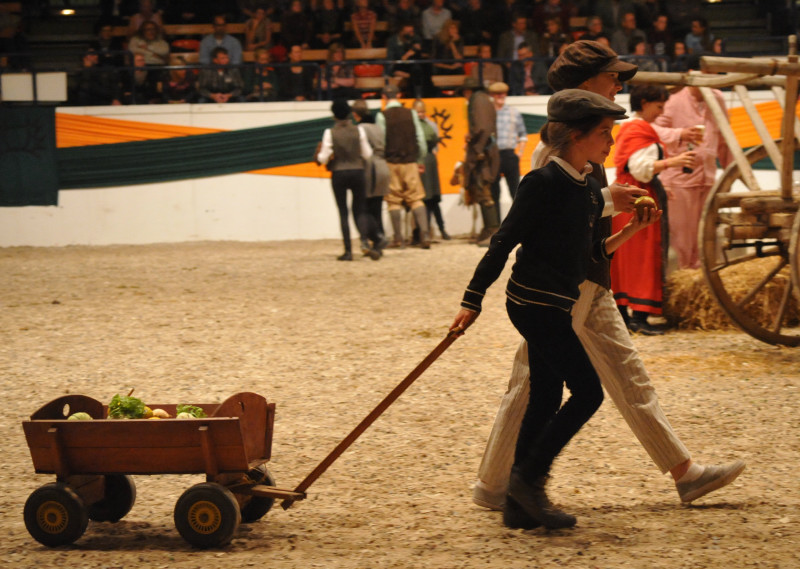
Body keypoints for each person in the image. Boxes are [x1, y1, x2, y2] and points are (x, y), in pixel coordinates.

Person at [471, 41, 745, 526]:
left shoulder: (587, 136)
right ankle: (502, 485)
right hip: (567, 285)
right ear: (585, 85)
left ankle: (500, 485)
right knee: (551, 381)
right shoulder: (556, 149)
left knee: (597, 374)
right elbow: (546, 218)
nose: (619, 84)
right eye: (611, 76)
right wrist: (608, 201)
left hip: (586, 277)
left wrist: (611, 207)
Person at [450, 89, 658, 529]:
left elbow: (590, 255)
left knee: (546, 395)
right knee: (588, 392)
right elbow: (503, 242)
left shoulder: (589, 188)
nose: (610, 141)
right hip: (531, 303)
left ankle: (517, 504)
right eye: (604, 133)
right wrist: (472, 298)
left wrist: (631, 231)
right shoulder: (541, 182)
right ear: (577, 136)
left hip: (556, 304)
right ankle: (528, 480)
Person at [610, 84, 696, 334]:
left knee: (627, 255)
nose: (661, 112)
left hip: (630, 192)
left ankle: (625, 315)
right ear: (644, 103)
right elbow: (639, 168)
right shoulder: (639, 129)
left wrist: (659, 186)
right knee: (643, 254)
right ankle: (639, 316)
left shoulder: (630, 127)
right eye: (659, 106)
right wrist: (674, 162)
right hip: (638, 196)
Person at [654, 78, 732, 270]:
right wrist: (679, 134)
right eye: (706, 74)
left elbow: (724, 137)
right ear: (691, 75)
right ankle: (684, 277)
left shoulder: (717, 98)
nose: (710, 78)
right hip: (679, 180)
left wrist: (731, 175)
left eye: (713, 74)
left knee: (706, 232)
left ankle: (705, 277)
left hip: (708, 178)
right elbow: (652, 129)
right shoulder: (673, 100)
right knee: (682, 236)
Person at [316, 99, 384, 261]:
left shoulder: (329, 132)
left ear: (334, 115)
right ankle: (365, 242)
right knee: (360, 209)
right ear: (349, 113)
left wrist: (319, 155)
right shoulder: (358, 131)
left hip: (339, 173)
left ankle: (348, 251)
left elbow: (323, 158)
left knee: (343, 212)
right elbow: (367, 154)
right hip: (357, 171)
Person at [375, 84, 431, 249]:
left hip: (391, 162)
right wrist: (420, 159)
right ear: (399, 95)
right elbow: (420, 139)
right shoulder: (411, 113)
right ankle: (425, 235)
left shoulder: (382, 116)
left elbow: (381, 142)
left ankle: (399, 239)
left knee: (393, 201)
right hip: (410, 161)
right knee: (416, 198)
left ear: (384, 97)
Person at [460, 76, 500, 247]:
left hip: (483, 151)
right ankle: (488, 228)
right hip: (485, 148)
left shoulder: (477, 101)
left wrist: (478, 149)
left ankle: (492, 230)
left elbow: (482, 127)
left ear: (468, 91)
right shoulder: (484, 99)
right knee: (480, 187)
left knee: (483, 188)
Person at [352, 99, 390, 244]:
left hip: (370, 168)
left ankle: (372, 237)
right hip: (382, 166)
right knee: (377, 206)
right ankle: (381, 235)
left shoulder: (360, 129)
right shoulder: (378, 127)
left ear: (355, 114)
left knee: (365, 207)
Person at [413, 99, 450, 241]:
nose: (420, 114)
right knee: (422, 198)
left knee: (432, 198)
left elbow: (435, 145)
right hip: (419, 161)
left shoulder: (430, 125)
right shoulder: (413, 124)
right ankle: (422, 231)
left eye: (422, 112)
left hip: (428, 161)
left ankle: (440, 229)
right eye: (418, 112)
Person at [489, 81, 525, 217]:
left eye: (503, 93)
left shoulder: (513, 112)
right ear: (492, 95)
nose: (500, 96)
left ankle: (518, 223)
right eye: (497, 94)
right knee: (494, 192)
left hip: (509, 154)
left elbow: (522, 134)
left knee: (515, 191)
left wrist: (519, 153)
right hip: (493, 155)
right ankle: (496, 224)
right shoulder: (488, 113)